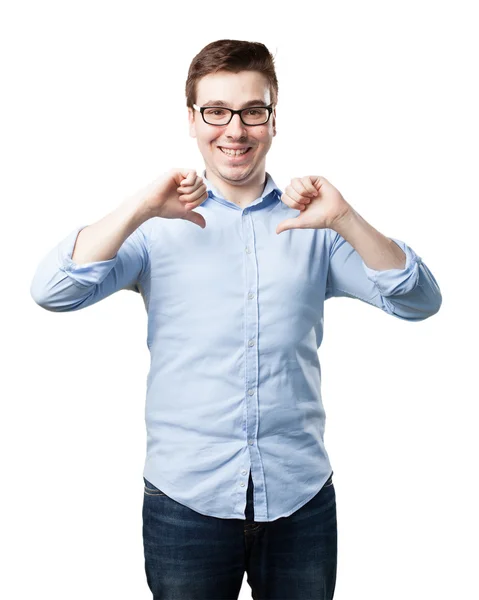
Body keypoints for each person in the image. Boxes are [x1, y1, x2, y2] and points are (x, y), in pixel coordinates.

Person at [30, 39, 442, 600]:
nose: (235, 130)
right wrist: (138, 207)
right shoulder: (154, 228)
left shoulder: (316, 226)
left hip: (299, 497)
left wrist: (345, 217)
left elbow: (419, 301)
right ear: (193, 119)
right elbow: (53, 291)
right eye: (216, 112)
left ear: (274, 119)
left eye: (253, 111)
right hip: (186, 500)